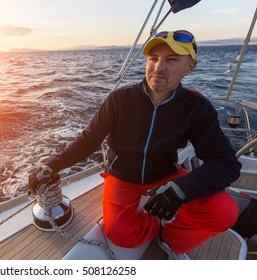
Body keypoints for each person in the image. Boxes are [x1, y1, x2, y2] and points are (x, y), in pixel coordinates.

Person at [28, 30, 241, 260]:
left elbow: (225, 164)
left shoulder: (196, 107)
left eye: (171, 60)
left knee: (224, 211)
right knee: (121, 234)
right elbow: (88, 140)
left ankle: (169, 239)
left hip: (166, 176)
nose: (159, 67)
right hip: (122, 178)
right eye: (153, 58)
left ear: (190, 67)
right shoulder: (120, 100)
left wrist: (180, 191)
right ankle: (158, 219)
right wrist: (51, 166)